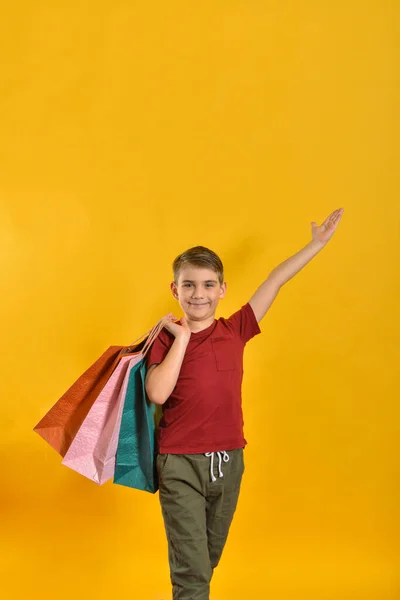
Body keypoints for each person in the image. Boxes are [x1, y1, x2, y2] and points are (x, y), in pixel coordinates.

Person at [145, 208, 344, 600]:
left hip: (229, 462)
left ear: (222, 289)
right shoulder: (166, 338)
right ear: (175, 290)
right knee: (193, 572)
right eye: (188, 285)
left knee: (206, 558)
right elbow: (157, 393)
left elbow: (276, 280)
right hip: (180, 462)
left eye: (207, 285)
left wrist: (316, 244)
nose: (198, 294)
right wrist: (182, 340)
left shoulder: (236, 328)